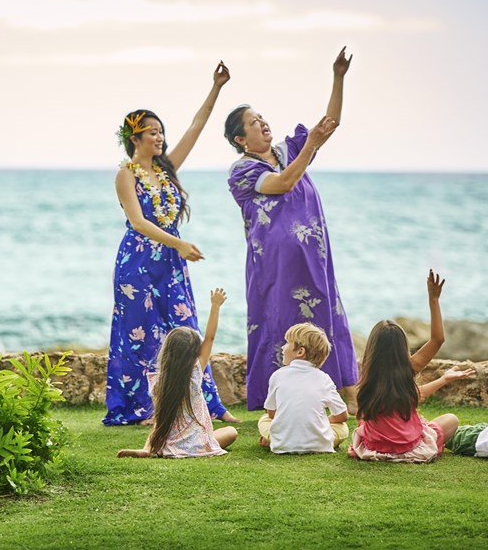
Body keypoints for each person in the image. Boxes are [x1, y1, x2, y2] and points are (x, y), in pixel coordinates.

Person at [104, 62, 240, 426]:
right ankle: (147, 407)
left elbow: (196, 127)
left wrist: (216, 87)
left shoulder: (166, 169)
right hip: (138, 262)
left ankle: (210, 404)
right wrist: (179, 243)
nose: (159, 138)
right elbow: (137, 221)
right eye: (151, 133)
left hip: (170, 262)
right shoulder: (125, 174)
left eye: (161, 132)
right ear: (135, 138)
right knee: (141, 333)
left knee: (186, 326)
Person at [224, 47, 357, 411]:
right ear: (240, 139)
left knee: (328, 315)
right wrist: (310, 145)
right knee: (279, 323)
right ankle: (278, 402)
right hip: (275, 267)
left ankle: (346, 398)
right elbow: (282, 183)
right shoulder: (241, 172)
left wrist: (338, 77)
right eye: (253, 122)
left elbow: (328, 123)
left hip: (313, 255)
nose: (263, 123)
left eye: (263, 118)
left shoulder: (287, 150)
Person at [348, 271, 475, 463]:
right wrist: (434, 299)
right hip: (409, 447)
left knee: (366, 422)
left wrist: (443, 379)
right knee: (451, 420)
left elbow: (365, 413)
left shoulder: (367, 375)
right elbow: (437, 339)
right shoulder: (410, 368)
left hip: (374, 448)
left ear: (373, 348)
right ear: (401, 347)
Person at [117, 289, 239, 457]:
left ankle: (147, 450)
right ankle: (185, 448)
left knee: (158, 425)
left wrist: (152, 446)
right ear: (195, 353)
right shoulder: (195, 375)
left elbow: (159, 421)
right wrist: (215, 306)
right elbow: (209, 338)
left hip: (168, 443)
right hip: (198, 442)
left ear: (166, 352)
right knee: (231, 431)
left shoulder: (158, 383)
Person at [258, 322, 349, 454]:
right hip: (319, 445)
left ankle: (272, 439)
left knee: (264, 420)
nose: (283, 347)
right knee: (343, 428)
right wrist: (324, 422)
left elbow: (271, 413)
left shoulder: (277, 375)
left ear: (300, 352)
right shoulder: (324, 378)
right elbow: (342, 416)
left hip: (282, 444)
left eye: (287, 343)